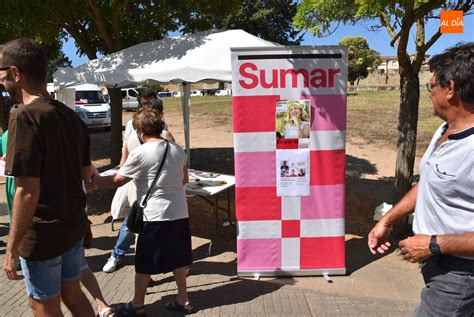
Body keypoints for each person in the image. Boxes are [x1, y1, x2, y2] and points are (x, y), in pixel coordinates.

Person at [367, 42, 474, 316]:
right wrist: (387, 220)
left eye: (431, 86)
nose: (429, 94)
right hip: (438, 264)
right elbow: (429, 184)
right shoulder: (445, 129)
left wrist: (434, 244)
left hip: (461, 274)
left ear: (450, 89)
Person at [1, 38, 95, 316]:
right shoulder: (70, 116)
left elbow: (26, 191)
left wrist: (11, 248)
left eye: (2, 72)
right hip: (72, 227)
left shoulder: (24, 116)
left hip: (44, 235)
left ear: (16, 73)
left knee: (42, 303)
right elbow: (87, 175)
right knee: (73, 294)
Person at [92, 107, 193, 315]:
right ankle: (183, 299)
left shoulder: (140, 152)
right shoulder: (176, 149)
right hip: (179, 212)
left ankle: (137, 304)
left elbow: (118, 180)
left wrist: (95, 181)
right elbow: (185, 179)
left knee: (144, 261)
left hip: (154, 215)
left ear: (140, 131)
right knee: (179, 258)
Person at [103, 96, 175, 273]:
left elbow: (122, 165)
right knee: (140, 226)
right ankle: (138, 262)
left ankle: (120, 257)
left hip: (142, 191)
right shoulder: (163, 135)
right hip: (153, 191)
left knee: (134, 225)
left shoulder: (135, 137)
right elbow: (176, 161)